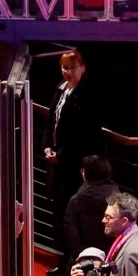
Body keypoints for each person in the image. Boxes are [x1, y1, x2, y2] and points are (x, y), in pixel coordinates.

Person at [45, 50, 103, 214]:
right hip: (57, 163)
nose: (68, 72)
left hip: (74, 164)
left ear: (83, 68)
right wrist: (47, 146)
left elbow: (85, 134)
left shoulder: (89, 93)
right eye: (65, 68)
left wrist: (62, 155)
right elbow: (51, 122)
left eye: (73, 68)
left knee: (71, 212)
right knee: (58, 212)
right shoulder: (61, 88)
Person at [61, 155, 122, 263]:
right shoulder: (119, 198)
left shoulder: (75, 200)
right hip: (112, 259)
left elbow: (71, 233)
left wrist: (82, 256)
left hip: (81, 259)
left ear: (87, 173)